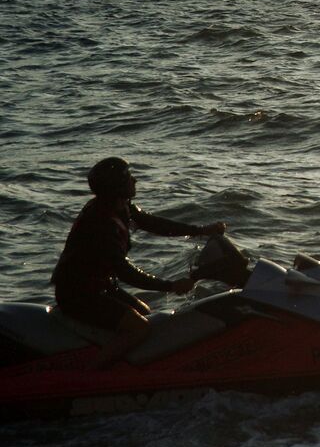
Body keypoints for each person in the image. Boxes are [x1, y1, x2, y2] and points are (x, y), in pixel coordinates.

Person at [51, 157, 227, 368]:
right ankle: (89, 374)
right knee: (139, 328)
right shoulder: (101, 223)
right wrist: (169, 286)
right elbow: (125, 272)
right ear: (116, 186)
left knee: (146, 314)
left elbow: (155, 224)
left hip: (101, 286)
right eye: (128, 177)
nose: (135, 180)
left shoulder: (120, 206)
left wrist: (200, 231)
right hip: (78, 294)